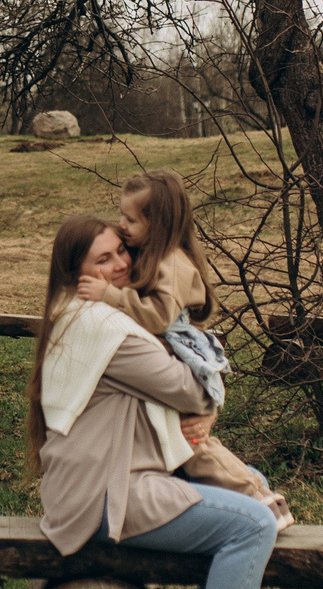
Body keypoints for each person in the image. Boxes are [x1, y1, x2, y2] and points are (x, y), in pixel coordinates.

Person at [28, 213, 282, 589]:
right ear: (76, 272)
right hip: (108, 494)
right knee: (253, 523)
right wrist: (204, 405)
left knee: (246, 495)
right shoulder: (106, 329)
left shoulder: (78, 314)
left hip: (95, 486)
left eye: (122, 250)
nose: (121, 264)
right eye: (103, 260)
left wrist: (200, 410)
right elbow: (193, 388)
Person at [75, 169, 291, 527]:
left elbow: (159, 317)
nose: (122, 225)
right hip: (173, 347)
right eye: (122, 216)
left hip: (180, 348)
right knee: (186, 439)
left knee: (193, 442)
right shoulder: (152, 253)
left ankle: (258, 498)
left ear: (158, 224)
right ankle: (249, 496)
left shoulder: (170, 261)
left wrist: (110, 295)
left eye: (131, 219)